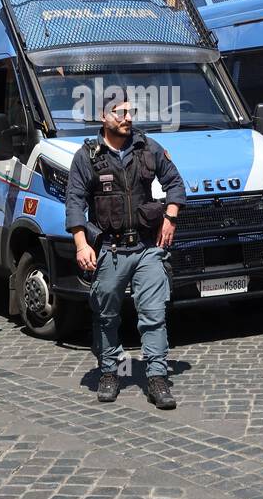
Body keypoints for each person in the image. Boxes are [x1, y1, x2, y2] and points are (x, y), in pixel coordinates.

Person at [66, 93, 186, 409]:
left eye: (130, 112)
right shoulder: (87, 157)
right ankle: (111, 371)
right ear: (103, 117)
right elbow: (75, 203)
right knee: (106, 315)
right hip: (110, 248)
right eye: (119, 112)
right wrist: (81, 245)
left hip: (147, 247)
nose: (127, 118)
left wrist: (170, 217)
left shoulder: (147, 148)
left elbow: (175, 183)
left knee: (153, 313)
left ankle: (156, 377)